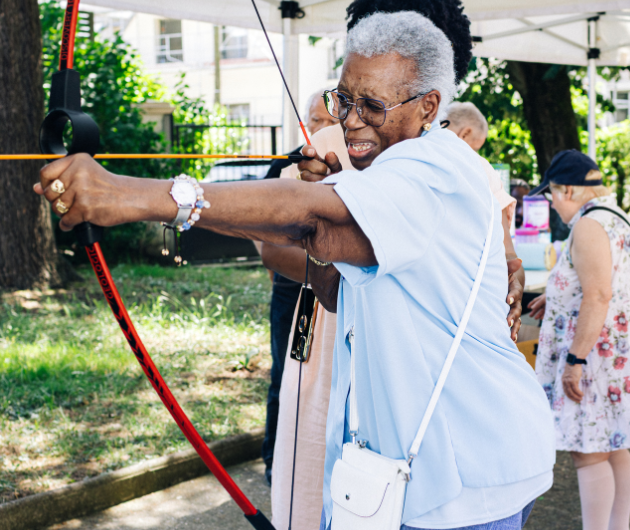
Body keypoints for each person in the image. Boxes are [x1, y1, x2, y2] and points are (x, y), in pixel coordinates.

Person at [36, 11, 555, 530]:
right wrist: (322, 200)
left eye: (372, 106)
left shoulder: (432, 170)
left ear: (428, 107)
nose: (351, 120)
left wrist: (135, 196)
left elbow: (313, 221)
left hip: (467, 478)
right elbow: (332, 284)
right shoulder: (398, 170)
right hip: (433, 472)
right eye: (343, 99)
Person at [265, 3, 524, 528]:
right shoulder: (342, 135)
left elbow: (502, 254)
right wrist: (326, 245)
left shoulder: (454, 160)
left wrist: (507, 277)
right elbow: (275, 244)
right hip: (336, 337)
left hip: (421, 351)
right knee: (326, 476)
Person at [528, 150, 630, 530]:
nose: (553, 206)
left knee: (588, 451)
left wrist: (575, 362)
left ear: (566, 190)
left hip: (595, 357)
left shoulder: (588, 225)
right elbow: (607, 280)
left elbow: (598, 295)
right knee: (613, 444)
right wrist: (558, 295)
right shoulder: (617, 217)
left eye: (551, 196)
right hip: (618, 355)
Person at [259, 88, 339, 487]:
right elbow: (266, 233)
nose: (319, 128)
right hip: (295, 287)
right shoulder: (290, 162)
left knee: (322, 378)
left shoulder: (347, 161)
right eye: (313, 120)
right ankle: (276, 461)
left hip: (333, 284)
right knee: (285, 373)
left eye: (327, 120)